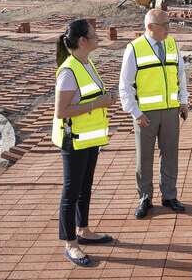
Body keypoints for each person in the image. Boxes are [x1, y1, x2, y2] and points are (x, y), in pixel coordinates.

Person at [54, 19, 116, 267]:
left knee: (85, 186)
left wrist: (104, 98)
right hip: (73, 140)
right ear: (82, 41)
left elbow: (89, 96)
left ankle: (84, 230)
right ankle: (70, 244)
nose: (97, 37)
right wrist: (97, 104)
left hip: (89, 138)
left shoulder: (86, 63)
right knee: (71, 191)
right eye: (93, 34)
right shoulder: (69, 71)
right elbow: (61, 111)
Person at [119, 9, 189, 219]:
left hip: (170, 110)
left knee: (170, 156)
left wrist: (183, 102)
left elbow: (181, 74)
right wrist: (135, 112)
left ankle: (169, 195)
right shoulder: (134, 49)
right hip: (145, 114)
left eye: (169, 24)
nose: (169, 28)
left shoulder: (172, 44)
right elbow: (125, 85)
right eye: (164, 25)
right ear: (150, 27)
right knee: (145, 157)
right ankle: (145, 197)